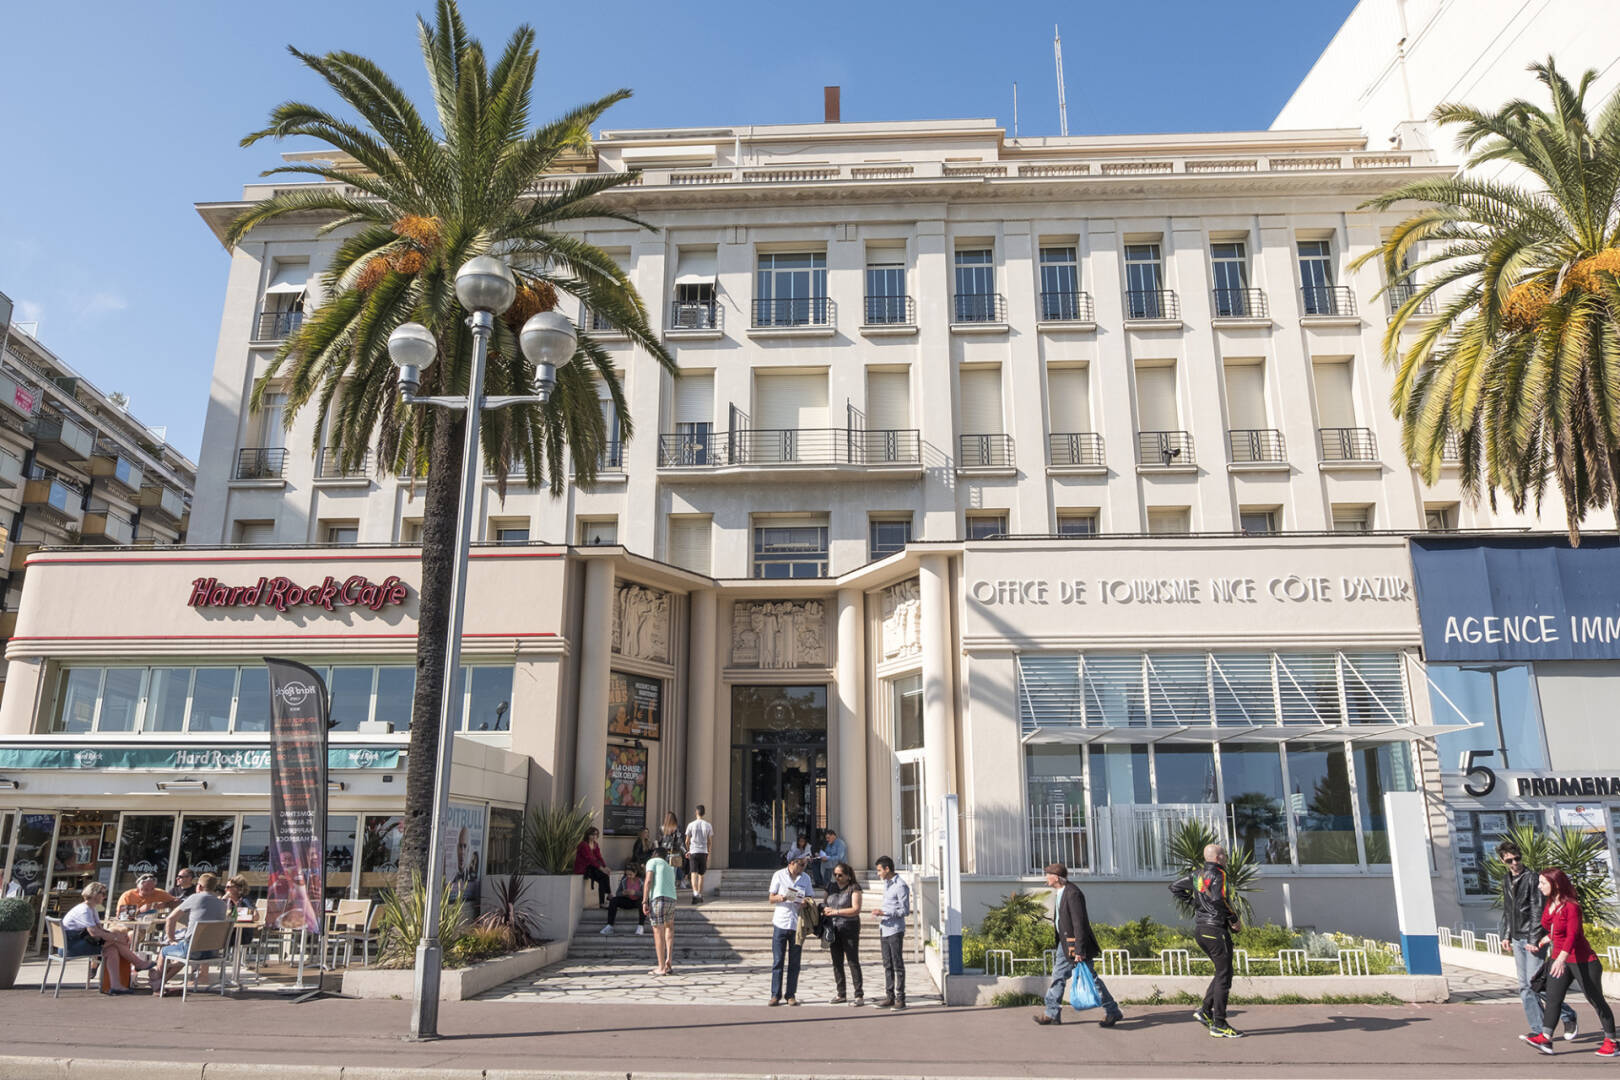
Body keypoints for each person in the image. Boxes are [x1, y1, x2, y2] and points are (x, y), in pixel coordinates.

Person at [1523, 869, 1617, 1056]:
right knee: (1553, 998)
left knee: (1596, 1000)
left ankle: (1611, 1042)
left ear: (1556, 884)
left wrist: (1560, 959)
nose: (1539, 886)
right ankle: (1546, 1039)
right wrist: (1545, 939)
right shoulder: (1552, 905)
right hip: (1561, 960)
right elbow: (1557, 930)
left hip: (1583, 961)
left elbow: (1573, 935)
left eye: (1543, 883)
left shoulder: (1572, 907)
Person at [1498, 840, 1577, 1042]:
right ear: (1503, 861)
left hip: (1531, 937)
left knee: (1537, 984)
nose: (1515, 863)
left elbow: (1538, 910)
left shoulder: (1533, 879)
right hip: (1516, 937)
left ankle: (1567, 1015)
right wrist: (1505, 935)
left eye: (1517, 858)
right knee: (1524, 986)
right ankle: (1538, 1029)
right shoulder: (1506, 880)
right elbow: (1508, 910)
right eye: (1510, 860)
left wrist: (1534, 938)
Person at [1033, 862, 1123, 1027]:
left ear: (1056, 877)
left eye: (1048, 874)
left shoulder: (1073, 893)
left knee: (1091, 978)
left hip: (1076, 945)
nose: (1046, 878)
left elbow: (1079, 923)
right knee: (1058, 976)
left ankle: (1112, 1011)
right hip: (1064, 944)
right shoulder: (1061, 892)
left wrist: (1080, 950)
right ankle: (1052, 1013)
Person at [1170, 843, 1244, 1038]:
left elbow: (1175, 887)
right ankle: (1219, 1023)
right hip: (1215, 929)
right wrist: (1234, 919)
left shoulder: (1197, 875)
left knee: (1221, 973)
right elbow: (1219, 900)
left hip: (1201, 929)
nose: (1227, 858)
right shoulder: (1219, 874)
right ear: (1219, 858)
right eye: (1225, 855)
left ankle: (1204, 1011)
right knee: (1225, 976)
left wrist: (1196, 904)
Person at [61, 881, 155, 995]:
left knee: (112, 950)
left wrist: (115, 937)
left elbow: (100, 930)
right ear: (95, 894)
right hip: (71, 946)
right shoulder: (85, 910)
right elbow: (94, 932)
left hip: (76, 941)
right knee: (115, 944)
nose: (104, 897)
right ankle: (138, 963)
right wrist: (116, 938)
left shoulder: (91, 908)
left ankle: (116, 985)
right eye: (103, 894)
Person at [154, 871, 229, 993]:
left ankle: (157, 984)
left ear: (199, 887)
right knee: (183, 951)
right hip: (213, 952)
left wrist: (171, 939)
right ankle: (161, 982)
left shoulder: (194, 898)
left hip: (192, 951)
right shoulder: (222, 904)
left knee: (165, 950)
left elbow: (170, 918)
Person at [768, 853, 814, 1006]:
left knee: (795, 962)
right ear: (792, 863)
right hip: (781, 922)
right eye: (801, 864)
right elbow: (771, 898)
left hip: (797, 924)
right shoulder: (779, 875)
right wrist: (783, 897)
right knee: (778, 961)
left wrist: (804, 902)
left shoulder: (805, 878)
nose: (803, 867)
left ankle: (790, 994)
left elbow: (810, 899)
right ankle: (775, 995)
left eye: (805, 865)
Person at [870, 855, 911, 1010]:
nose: (878, 873)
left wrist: (885, 912)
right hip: (884, 928)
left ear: (887, 869)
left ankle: (901, 998)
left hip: (895, 929)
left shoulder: (901, 885)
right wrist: (882, 914)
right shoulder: (886, 884)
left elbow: (905, 910)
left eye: (879, 870)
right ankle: (889, 996)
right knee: (887, 964)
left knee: (897, 964)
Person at [821, 860, 864, 1005]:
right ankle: (841, 993)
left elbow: (856, 909)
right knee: (836, 961)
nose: (837, 877)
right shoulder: (831, 886)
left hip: (849, 927)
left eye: (840, 875)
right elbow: (823, 902)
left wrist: (837, 911)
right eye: (835, 875)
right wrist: (824, 909)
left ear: (848, 876)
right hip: (833, 928)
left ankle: (859, 994)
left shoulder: (854, 888)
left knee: (852, 960)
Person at [642, 847, 677, 975]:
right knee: (669, 928)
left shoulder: (652, 862)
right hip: (672, 899)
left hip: (658, 898)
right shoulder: (668, 866)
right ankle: (669, 962)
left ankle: (661, 967)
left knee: (658, 931)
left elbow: (648, 881)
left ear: (654, 854)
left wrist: (644, 900)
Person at [600, 863, 647, 935]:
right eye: (627, 874)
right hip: (627, 901)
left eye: (630, 874)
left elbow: (645, 894)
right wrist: (623, 893)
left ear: (635, 873)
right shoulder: (624, 879)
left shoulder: (641, 880)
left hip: (637, 901)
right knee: (613, 901)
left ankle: (640, 926)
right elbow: (617, 893)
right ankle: (609, 926)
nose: (628, 876)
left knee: (643, 902)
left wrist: (635, 893)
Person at [574, 827, 611, 909]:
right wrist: (601, 868)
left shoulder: (595, 844)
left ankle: (604, 900)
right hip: (584, 868)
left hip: (592, 867)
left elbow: (599, 857)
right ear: (588, 835)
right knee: (603, 875)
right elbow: (590, 859)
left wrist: (605, 866)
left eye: (596, 835)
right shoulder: (583, 845)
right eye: (592, 834)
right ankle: (608, 895)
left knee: (603, 877)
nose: (594, 836)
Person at [684, 805, 713, 905]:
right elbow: (710, 842)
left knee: (693, 874)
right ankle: (700, 895)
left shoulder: (691, 825)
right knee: (701, 875)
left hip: (693, 851)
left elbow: (687, 840)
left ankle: (695, 893)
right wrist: (708, 853)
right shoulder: (708, 825)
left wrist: (688, 850)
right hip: (703, 852)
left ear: (696, 812)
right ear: (704, 813)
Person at [659, 812, 687, 889]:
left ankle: (665, 886)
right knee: (673, 872)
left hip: (664, 853)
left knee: (664, 871)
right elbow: (680, 841)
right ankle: (672, 887)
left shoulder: (662, 828)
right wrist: (685, 851)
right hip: (674, 853)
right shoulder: (677, 828)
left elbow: (661, 840)